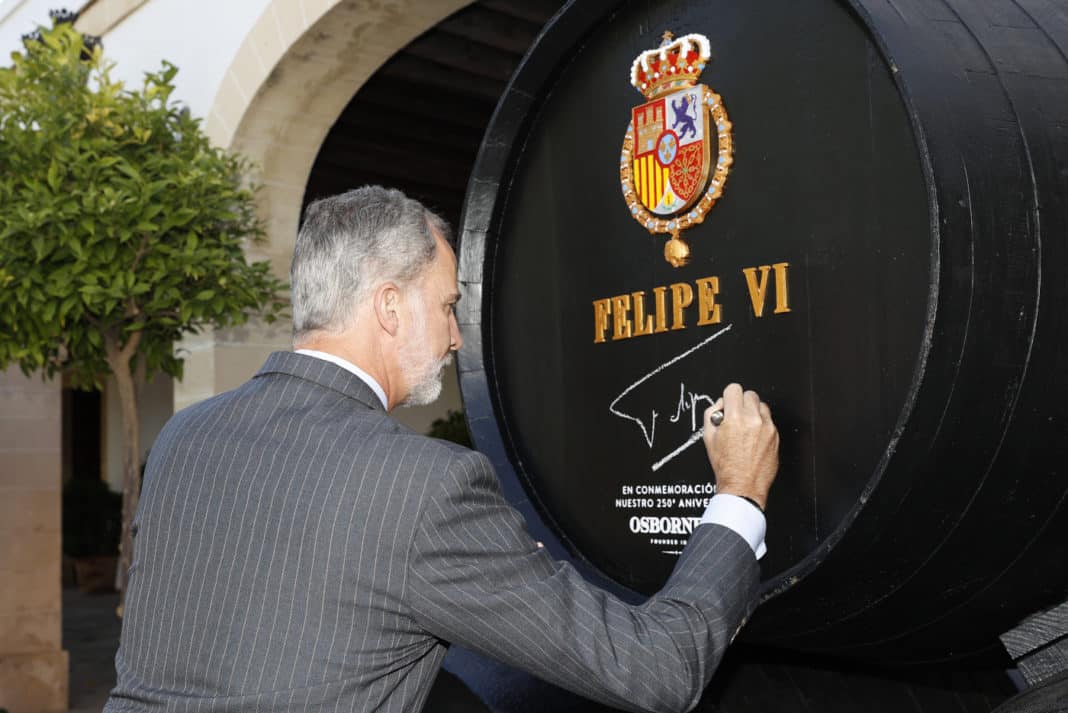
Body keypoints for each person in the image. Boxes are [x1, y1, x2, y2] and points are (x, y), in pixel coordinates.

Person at [104, 186, 779, 713]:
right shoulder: (424, 488)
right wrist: (739, 493)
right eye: (448, 304)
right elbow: (656, 668)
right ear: (390, 306)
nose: (457, 336)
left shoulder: (184, 438)